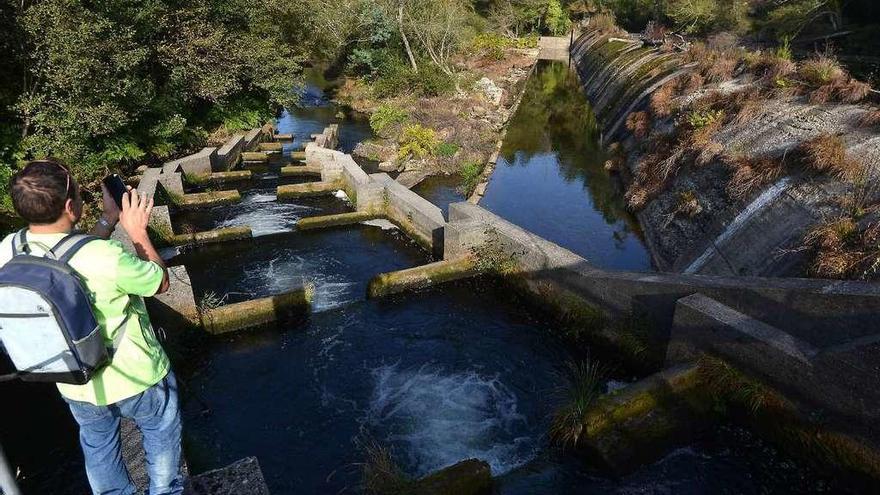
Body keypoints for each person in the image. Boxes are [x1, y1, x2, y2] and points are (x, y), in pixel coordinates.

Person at [0, 159, 184, 495]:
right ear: (71, 207)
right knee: (160, 434)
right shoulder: (108, 256)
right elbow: (160, 282)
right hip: (136, 374)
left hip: (72, 378)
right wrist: (138, 232)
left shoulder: (8, 249)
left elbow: (66, 258)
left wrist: (108, 220)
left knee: (99, 446)